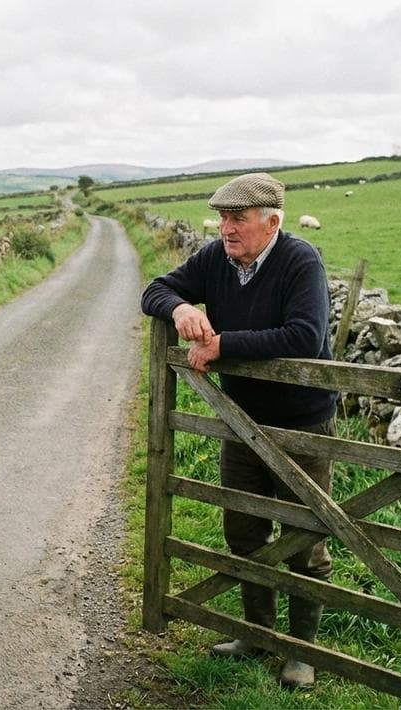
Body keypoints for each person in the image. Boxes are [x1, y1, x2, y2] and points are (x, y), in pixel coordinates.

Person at [140, 172, 338, 689]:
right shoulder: (217, 259)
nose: (226, 227)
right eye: (223, 217)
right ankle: (257, 634)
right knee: (244, 531)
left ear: (271, 222)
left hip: (302, 423)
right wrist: (181, 306)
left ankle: (301, 652)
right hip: (241, 422)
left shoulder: (301, 261)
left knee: (304, 539)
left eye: (238, 218)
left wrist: (222, 344)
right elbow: (155, 289)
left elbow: (304, 335)